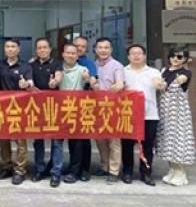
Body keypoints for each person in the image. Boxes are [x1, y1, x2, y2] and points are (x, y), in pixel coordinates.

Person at [122, 44, 166, 186]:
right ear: (128, 56)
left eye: (139, 53)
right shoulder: (123, 71)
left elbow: (160, 85)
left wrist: (160, 85)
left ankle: (146, 173)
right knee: (127, 145)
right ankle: (127, 172)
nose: (136, 56)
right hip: (128, 115)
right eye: (133, 53)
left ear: (144, 56)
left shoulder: (153, 72)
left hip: (149, 115)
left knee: (147, 146)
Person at [0, 39, 33, 186]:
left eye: (13, 47)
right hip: (3, 107)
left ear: (19, 49)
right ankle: (7, 166)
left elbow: (30, 83)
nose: (10, 49)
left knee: (20, 140)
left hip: (19, 108)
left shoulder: (25, 66)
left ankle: (20, 170)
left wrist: (26, 84)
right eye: (7, 47)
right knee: (4, 139)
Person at [157, 46, 195, 186]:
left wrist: (180, 79)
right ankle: (172, 169)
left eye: (179, 57)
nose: (175, 59)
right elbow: (160, 86)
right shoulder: (164, 71)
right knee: (167, 141)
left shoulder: (186, 72)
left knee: (178, 140)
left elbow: (182, 80)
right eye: (173, 56)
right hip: (164, 111)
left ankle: (180, 172)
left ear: (185, 59)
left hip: (179, 113)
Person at [29, 37, 64, 188]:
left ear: (50, 49)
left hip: (54, 107)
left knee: (57, 141)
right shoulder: (31, 65)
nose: (42, 50)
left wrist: (55, 82)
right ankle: (40, 169)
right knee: (38, 141)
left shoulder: (56, 63)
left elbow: (59, 76)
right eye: (39, 48)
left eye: (45, 47)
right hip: (36, 107)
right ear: (36, 50)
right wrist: (28, 85)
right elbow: (28, 80)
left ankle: (56, 173)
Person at [91, 37, 125, 184]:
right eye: (100, 48)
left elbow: (120, 84)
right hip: (96, 107)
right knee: (100, 139)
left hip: (112, 107)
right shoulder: (93, 65)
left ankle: (114, 171)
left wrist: (115, 87)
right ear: (95, 49)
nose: (103, 50)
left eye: (106, 48)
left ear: (111, 50)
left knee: (113, 140)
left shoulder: (117, 66)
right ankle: (104, 166)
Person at [59, 43, 91, 184]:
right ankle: (69, 167)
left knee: (77, 141)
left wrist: (88, 79)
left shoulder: (83, 70)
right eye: (68, 53)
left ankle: (75, 172)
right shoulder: (59, 69)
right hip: (61, 109)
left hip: (77, 109)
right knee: (64, 141)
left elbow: (90, 82)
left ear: (77, 56)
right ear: (63, 54)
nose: (70, 55)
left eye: (73, 53)